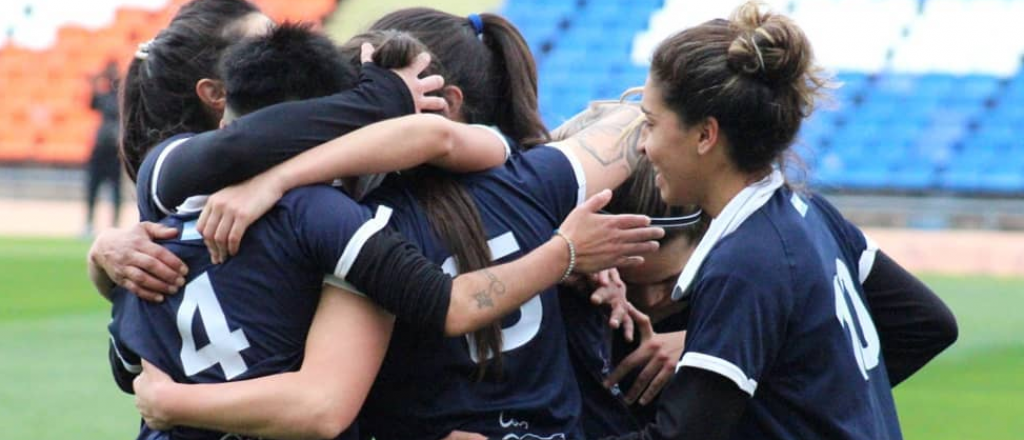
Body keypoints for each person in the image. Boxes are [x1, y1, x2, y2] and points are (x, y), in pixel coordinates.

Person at [103, 22, 660, 440]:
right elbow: (639, 117)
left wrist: (168, 399)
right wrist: (565, 251)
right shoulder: (530, 177)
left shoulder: (335, 218)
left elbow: (130, 366)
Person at [598, 2, 956, 439]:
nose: (643, 146)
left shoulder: (744, 262)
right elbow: (926, 323)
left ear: (705, 135)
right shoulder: (811, 215)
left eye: (652, 124)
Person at [84, 60, 122, 236]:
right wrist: (95, 82)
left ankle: (114, 224)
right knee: (93, 188)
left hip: (114, 149)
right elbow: (91, 104)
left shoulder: (120, 97)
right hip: (101, 148)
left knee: (115, 190)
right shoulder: (104, 96)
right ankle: (89, 223)